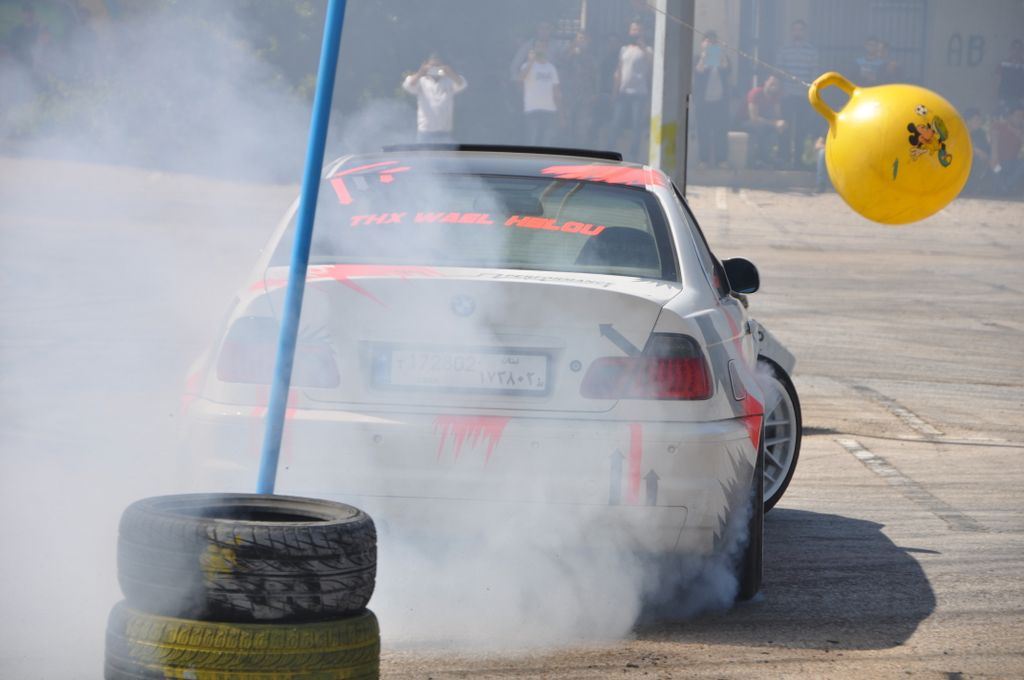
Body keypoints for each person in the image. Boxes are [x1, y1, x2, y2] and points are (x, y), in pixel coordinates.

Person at [777, 19, 819, 168]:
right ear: (791, 31)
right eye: (795, 29)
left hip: (803, 95)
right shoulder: (784, 49)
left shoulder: (811, 51)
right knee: (785, 127)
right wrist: (786, 77)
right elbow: (780, 71)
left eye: (800, 29)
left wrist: (809, 88)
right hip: (787, 95)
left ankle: (798, 161)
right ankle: (783, 158)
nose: (798, 32)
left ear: (804, 32)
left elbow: (814, 74)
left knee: (801, 130)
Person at [611, 20, 653, 162]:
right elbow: (619, 70)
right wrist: (614, 91)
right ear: (630, 31)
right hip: (623, 92)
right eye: (633, 29)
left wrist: (643, 48)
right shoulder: (624, 49)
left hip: (639, 93)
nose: (636, 32)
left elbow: (651, 66)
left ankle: (634, 154)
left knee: (637, 124)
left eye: (638, 30)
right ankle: (611, 151)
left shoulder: (648, 50)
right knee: (616, 122)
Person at [401, 54, 467, 143]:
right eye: (432, 66)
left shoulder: (449, 81)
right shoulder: (421, 81)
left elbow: (462, 84)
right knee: (423, 156)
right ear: (425, 66)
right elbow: (407, 85)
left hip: (445, 132)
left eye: (437, 66)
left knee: (446, 156)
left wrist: (450, 72)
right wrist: (421, 72)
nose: (435, 69)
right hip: (425, 133)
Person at [693, 31, 732, 168]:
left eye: (713, 42)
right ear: (702, 43)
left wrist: (721, 54)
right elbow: (698, 71)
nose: (710, 44)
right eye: (708, 41)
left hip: (720, 102)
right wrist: (704, 57)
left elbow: (727, 70)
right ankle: (703, 160)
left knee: (720, 131)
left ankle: (722, 160)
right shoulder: (698, 57)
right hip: (703, 102)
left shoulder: (722, 58)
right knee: (703, 131)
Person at [560, 31, 600, 147]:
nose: (582, 41)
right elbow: (562, 64)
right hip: (569, 94)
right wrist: (572, 51)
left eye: (585, 39)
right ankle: (566, 148)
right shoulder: (568, 54)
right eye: (580, 38)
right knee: (567, 124)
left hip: (585, 96)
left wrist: (595, 93)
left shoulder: (591, 58)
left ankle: (580, 148)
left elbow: (595, 76)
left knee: (582, 125)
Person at [519, 48, 561, 146]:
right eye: (534, 51)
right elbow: (520, 78)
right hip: (532, 110)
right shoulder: (526, 66)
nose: (539, 52)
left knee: (547, 143)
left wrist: (560, 112)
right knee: (531, 142)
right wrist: (530, 61)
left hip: (550, 110)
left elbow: (556, 91)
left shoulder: (551, 67)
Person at [742, 75, 786, 168]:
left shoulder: (775, 97)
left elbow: (777, 115)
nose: (773, 86)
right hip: (744, 122)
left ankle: (774, 158)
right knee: (761, 127)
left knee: (775, 128)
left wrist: (780, 123)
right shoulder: (755, 93)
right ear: (765, 82)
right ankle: (758, 159)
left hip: (764, 122)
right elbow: (754, 118)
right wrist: (774, 123)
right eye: (771, 83)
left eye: (776, 84)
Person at [989, 106, 1024, 197]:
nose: (1020, 119)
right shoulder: (999, 125)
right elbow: (994, 141)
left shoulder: (1021, 131)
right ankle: (1003, 188)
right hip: (998, 161)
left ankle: (1005, 186)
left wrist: (1017, 133)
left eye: (1022, 116)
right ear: (1009, 116)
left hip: (1012, 162)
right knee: (997, 170)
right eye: (1018, 116)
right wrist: (994, 156)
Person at [963, 108, 993, 195]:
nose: (979, 122)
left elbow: (986, 150)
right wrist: (975, 150)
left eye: (980, 120)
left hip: (976, 162)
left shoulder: (981, 133)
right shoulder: (959, 130)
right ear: (968, 120)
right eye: (976, 120)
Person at [996, 39, 1024, 111]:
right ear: (1011, 50)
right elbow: (997, 82)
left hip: (1020, 99)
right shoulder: (1003, 64)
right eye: (1015, 48)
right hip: (1005, 98)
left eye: (1019, 49)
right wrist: (996, 96)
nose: (1017, 51)